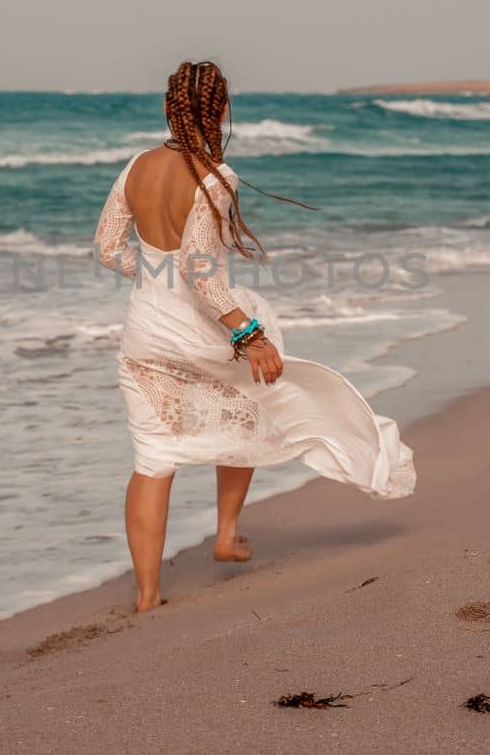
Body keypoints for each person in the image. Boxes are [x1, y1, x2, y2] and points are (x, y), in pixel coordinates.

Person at [94, 60, 416, 613]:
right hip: (202, 330)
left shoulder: (136, 166)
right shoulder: (216, 177)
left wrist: (154, 281)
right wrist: (248, 334)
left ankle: (148, 597)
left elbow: (106, 247)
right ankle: (225, 533)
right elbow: (199, 271)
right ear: (219, 108)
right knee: (250, 402)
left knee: (153, 457)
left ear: (170, 107)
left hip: (146, 329)